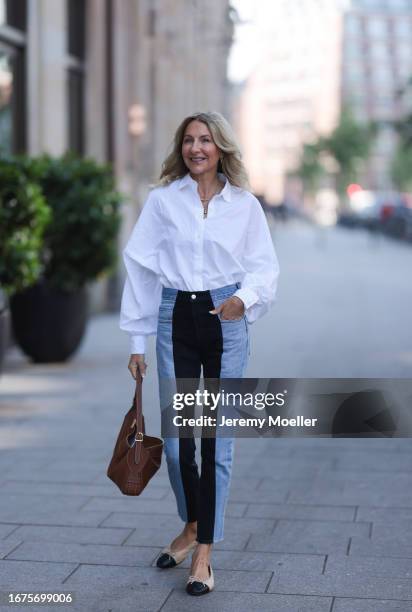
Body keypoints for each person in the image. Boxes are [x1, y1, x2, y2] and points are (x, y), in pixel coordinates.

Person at [119, 111, 279, 596]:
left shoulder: (245, 205)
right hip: (174, 319)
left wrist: (243, 300)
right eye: (188, 140)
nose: (196, 148)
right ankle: (191, 524)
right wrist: (136, 340)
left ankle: (204, 551)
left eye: (205, 140)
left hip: (225, 321)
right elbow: (142, 269)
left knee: (216, 440)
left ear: (221, 147)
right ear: (180, 148)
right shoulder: (164, 202)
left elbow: (264, 269)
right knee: (175, 443)